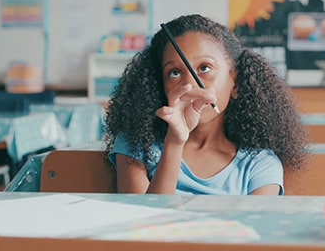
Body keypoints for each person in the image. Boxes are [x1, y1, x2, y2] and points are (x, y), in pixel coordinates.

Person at [104, 14, 308, 195]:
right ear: (160, 86)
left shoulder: (259, 164)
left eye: (204, 68)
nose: (189, 84)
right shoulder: (137, 145)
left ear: (235, 82)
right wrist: (175, 142)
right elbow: (142, 222)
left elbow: (255, 230)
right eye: (174, 73)